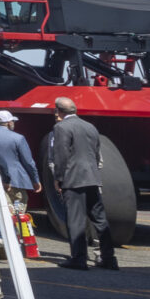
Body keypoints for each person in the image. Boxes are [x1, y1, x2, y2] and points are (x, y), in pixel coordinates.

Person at [46, 97, 116, 270]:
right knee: (99, 219)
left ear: (58, 111)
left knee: (75, 220)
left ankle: (79, 258)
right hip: (92, 177)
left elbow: (61, 155)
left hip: (73, 178)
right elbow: (96, 151)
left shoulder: (61, 127)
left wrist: (58, 178)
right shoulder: (90, 126)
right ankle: (109, 258)